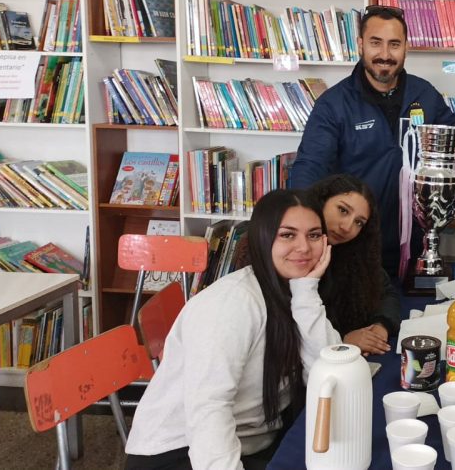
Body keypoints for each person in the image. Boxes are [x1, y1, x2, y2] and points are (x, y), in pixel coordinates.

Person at [125, 189, 340, 470]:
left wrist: (306, 292)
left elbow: (329, 373)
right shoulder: (230, 304)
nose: (304, 247)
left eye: (313, 235)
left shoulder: (294, 290)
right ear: (263, 238)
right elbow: (208, 410)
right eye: (288, 235)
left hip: (249, 442)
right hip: (183, 452)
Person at [289, 5, 455, 278]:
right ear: (360, 44)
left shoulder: (424, 94)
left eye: (394, 44)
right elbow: (310, 168)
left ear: (406, 47)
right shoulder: (333, 104)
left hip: (413, 246)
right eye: (375, 43)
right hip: (352, 244)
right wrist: (301, 228)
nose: (384, 54)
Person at [309, 174, 400, 355]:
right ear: (322, 201)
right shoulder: (295, 253)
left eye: (359, 222)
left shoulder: (354, 253)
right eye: (343, 210)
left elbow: (386, 293)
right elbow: (286, 329)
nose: (347, 227)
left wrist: (381, 325)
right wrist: (341, 340)